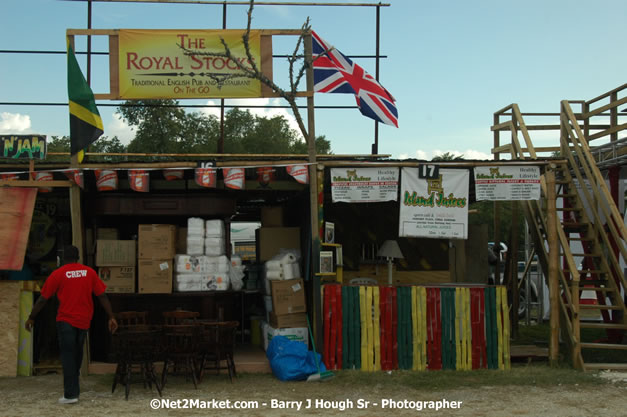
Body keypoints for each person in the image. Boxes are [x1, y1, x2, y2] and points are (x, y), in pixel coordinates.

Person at [25, 245, 118, 405]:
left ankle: (71, 394)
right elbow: (102, 295)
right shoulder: (89, 273)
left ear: (63, 258)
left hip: (65, 320)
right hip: (83, 321)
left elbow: (43, 299)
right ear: (78, 257)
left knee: (68, 356)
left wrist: (31, 317)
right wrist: (111, 316)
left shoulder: (58, 274)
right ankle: (73, 389)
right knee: (76, 354)